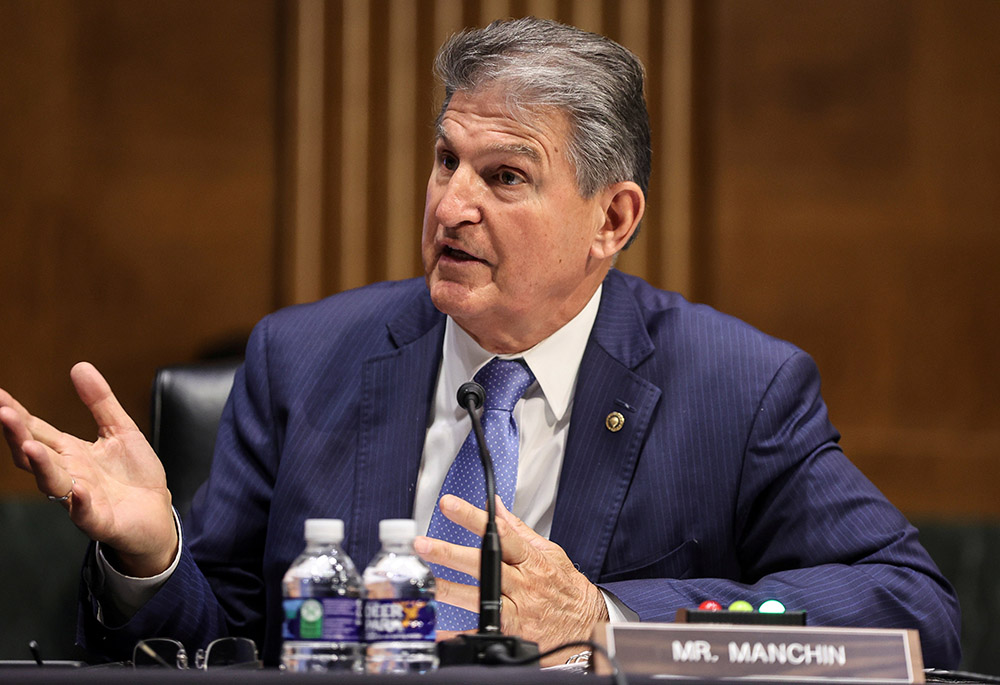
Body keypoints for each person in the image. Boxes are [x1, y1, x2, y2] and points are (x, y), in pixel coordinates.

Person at [0, 17, 960, 669]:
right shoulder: (302, 358)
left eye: (504, 176)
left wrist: (607, 623)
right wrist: (153, 555)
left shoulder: (737, 388)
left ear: (611, 218)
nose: (451, 203)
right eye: (445, 159)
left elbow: (914, 610)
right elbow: (218, 645)